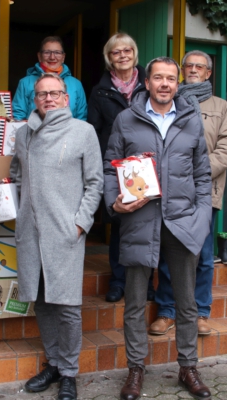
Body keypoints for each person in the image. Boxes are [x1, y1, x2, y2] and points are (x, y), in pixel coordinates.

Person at [103, 57, 212, 400]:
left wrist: (202, 218)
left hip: (182, 223)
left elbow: (203, 176)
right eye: (158, 78)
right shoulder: (126, 119)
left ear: (177, 84)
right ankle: (136, 370)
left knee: (186, 302)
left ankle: (188, 367)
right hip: (138, 222)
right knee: (135, 302)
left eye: (171, 79)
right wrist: (114, 204)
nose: (165, 84)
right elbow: (110, 170)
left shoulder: (191, 120)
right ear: (146, 82)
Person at [11, 73, 103, 400]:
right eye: (41, 94)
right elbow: (16, 178)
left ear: (66, 98)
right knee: (41, 301)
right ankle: (52, 363)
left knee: (66, 306)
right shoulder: (23, 134)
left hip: (65, 233)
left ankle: (69, 372)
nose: (48, 99)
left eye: (55, 93)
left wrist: (80, 224)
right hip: (30, 232)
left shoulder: (83, 132)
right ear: (33, 100)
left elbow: (95, 183)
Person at [150, 50, 227, 338]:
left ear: (209, 73)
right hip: (170, 194)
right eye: (189, 66)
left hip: (204, 193)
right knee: (167, 254)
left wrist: (192, 175)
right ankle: (166, 311)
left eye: (200, 66)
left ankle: (201, 312)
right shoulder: (170, 103)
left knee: (200, 255)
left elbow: (226, 150)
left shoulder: (221, 107)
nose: (194, 70)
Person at [88, 32, 155, 303]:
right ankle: (118, 281)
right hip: (116, 165)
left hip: (147, 165)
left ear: (134, 54)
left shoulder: (149, 84)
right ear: (109, 58)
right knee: (119, 224)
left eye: (128, 50)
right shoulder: (100, 91)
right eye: (117, 52)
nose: (123, 55)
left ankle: (146, 285)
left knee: (148, 225)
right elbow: (94, 130)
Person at [12, 36, 87, 121]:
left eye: (57, 53)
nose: (52, 57)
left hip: (68, 133)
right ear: (39, 56)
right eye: (47, 52)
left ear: (63, 57)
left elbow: (81, 118)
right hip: (35, 133)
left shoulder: (76, 84)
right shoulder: (25, 83)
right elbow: (18, 118)